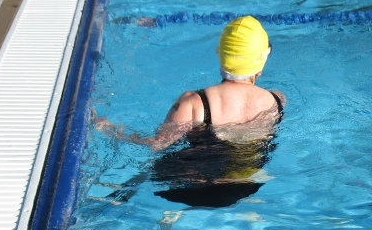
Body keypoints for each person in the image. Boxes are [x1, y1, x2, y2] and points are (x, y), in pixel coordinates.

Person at [93, 16, 286, 210]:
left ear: (219, 52)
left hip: (190, 188)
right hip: (245, 188)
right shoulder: (277, 100)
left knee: (153, 166)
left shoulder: (194, 103)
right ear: (264, 57)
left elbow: (157, 145)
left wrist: (110, 129)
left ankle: (119, 197)